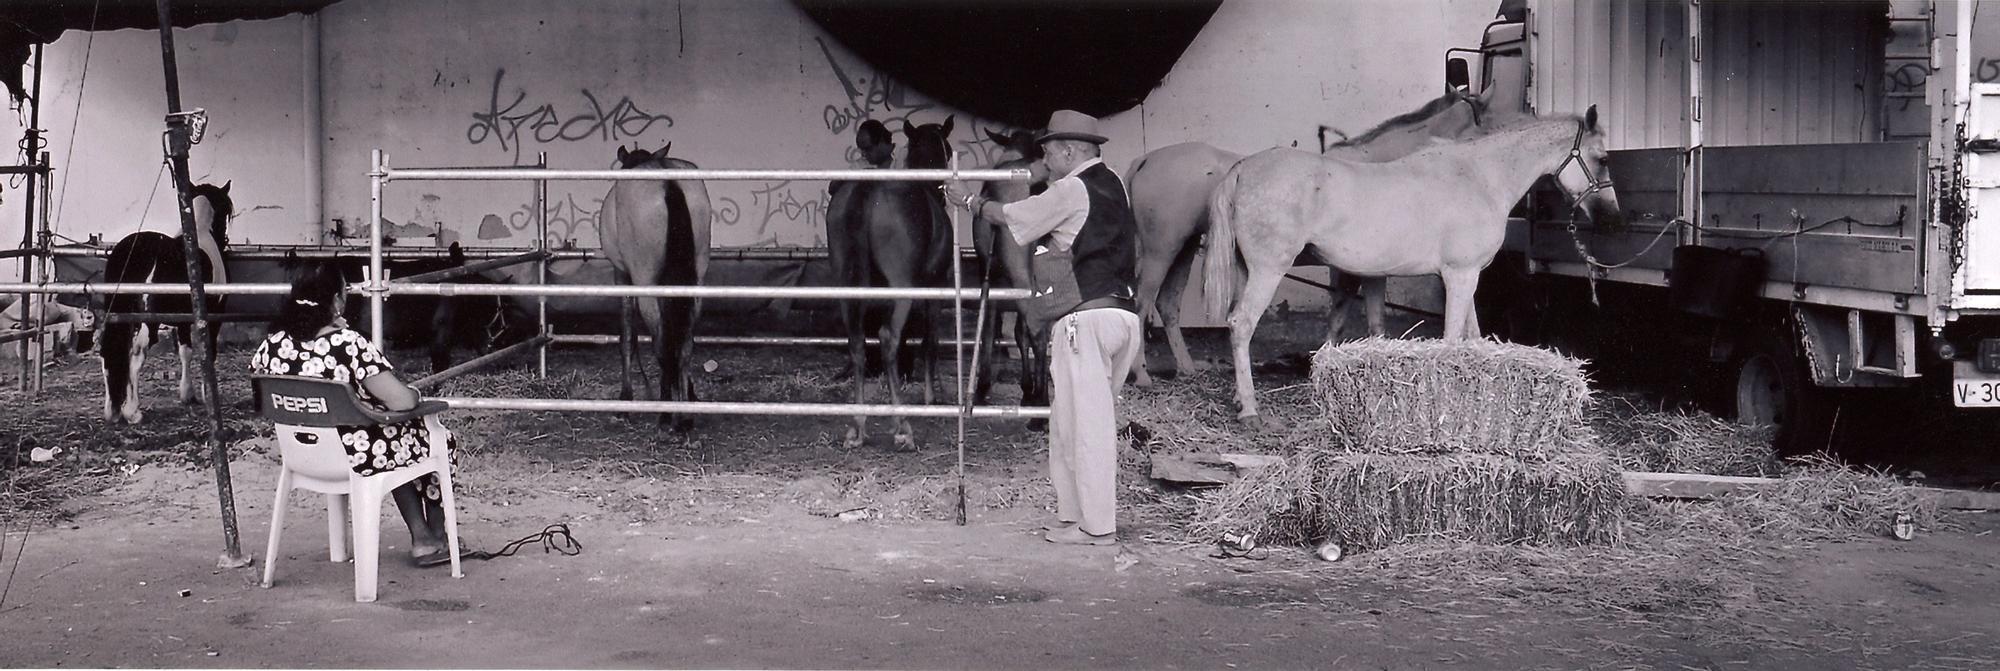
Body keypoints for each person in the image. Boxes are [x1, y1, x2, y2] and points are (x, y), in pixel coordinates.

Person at [946, 110, 1142, 546]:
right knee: (1071, 423)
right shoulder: (1115, 186)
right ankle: (1074, 518)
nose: (1045, 163)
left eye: (1049, 153)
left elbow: (1014, 214)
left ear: (1070, 151)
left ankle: (1097, 527)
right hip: (1120, 316)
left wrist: (968, 201)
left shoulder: (1073, 188)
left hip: (1085, 319)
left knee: (1084, 426)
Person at [249, 261, 461, 567]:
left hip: (301, 455)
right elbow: (401, 402)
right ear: (336, 301)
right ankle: (436, 537)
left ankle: (423, 535)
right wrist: (415, 393)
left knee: (393, 436)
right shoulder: (347, 344)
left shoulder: (273, 343)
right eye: (345, 292)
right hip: (356, 456)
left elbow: (258, 384)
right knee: (434, 438)